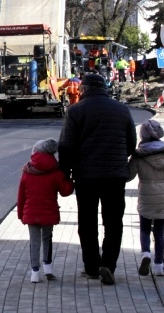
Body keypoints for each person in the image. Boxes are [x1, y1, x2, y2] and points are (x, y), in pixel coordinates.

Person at [58, 72, 137, 285]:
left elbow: (66, 146)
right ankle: (108, 265)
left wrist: (63, 175)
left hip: (86, 176)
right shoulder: (122, 109)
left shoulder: (75, 111)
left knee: (87, 221)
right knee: (113, 221)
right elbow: (131, 144)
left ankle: (92, 267)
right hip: (115, 175)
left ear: (83, 89)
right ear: (104, 87)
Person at [128, 119, 164, 277]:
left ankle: (146, 253)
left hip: (146, 195)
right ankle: (159, 265)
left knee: (145, 228)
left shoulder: (139, 156)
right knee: (160, 231)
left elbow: (129, 175)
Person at [17, 138, 74, 283]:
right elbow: (65, 191)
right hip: (48, 212)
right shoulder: (55, 171)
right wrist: (71, 181)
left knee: (34, 241)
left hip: (30, 212)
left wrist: (20, 214)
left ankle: (34, 273)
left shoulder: (27, 170)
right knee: (47, 239)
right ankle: (48, 269)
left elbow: (21, 195)